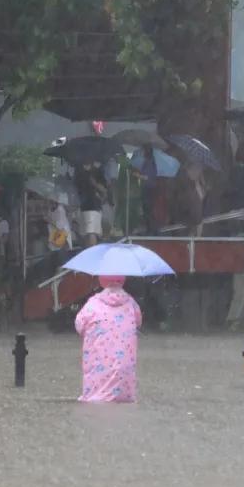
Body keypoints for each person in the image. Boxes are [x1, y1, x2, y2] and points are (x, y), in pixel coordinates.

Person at [74, 275, 143, 403]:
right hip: (125, 370)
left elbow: (79, 325)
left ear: (101, 280)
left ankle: (97, 395)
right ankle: (124, 394)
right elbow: (138, 322)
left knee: (96, 378)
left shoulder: (93, 303)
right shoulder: (131, 303)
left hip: (98, 360)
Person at [75, 162, 108, 246]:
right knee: (86, 233)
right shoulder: (79, 171)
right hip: (83, 206)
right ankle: (87, 253)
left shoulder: (97, 171)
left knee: (91, 232)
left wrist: (95, 184)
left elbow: (104, 190)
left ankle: (92, 254)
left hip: (93, 206)